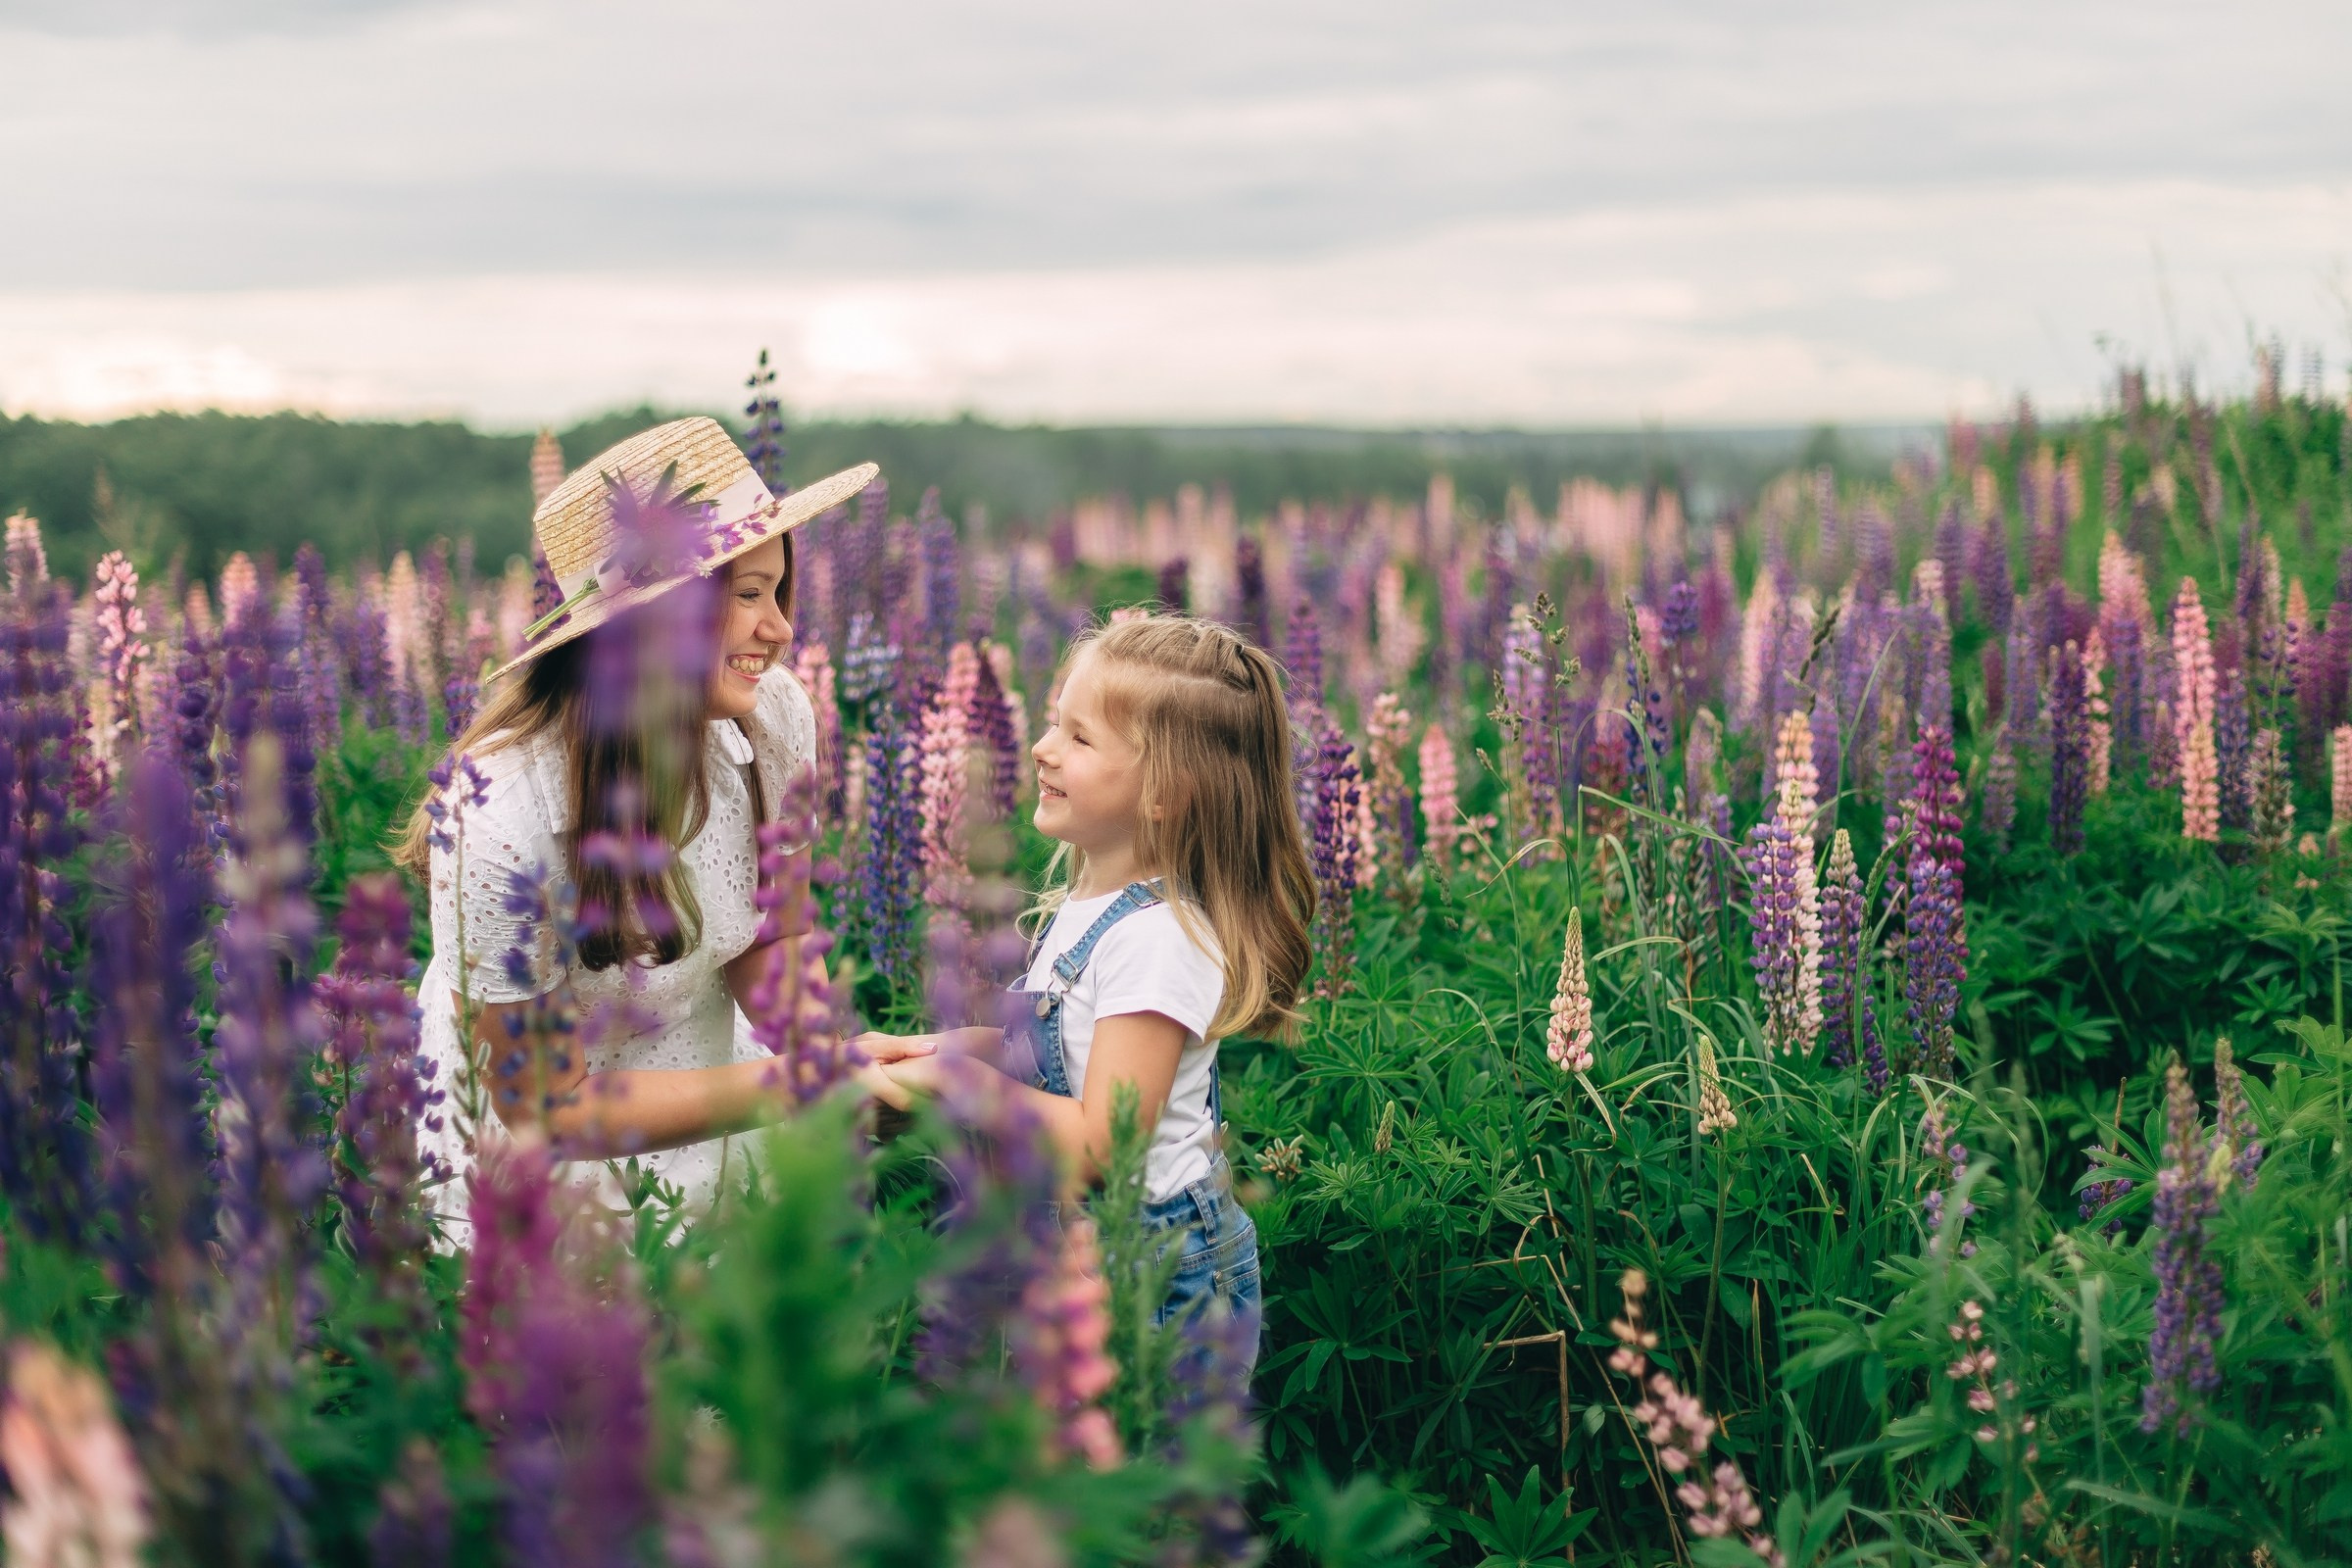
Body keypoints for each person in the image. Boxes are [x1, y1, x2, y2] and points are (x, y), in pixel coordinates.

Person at [396, 416, 928, 1231]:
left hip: (713, 1095)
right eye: (746, 596)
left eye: (777, 591)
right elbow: (548, 1108)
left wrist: (832, 1059)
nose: (780, 629)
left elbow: (773, 933)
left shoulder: (772, 715)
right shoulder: (499, 813)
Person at [873, 615, 1315, 1366]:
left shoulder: (1158, 939)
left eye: (1080, 738)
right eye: (1052, 724)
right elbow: (1058, 1052)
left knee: (1140, 1477)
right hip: (1084, 1249)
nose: (1043, 749)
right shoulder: (1094, 909)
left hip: (1157, 1277)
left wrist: (952, 1085)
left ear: (1164, 794)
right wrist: (925, 1051)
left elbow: (1105, 1143)